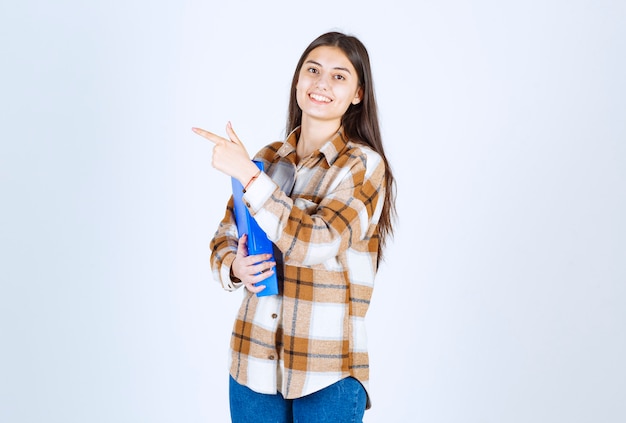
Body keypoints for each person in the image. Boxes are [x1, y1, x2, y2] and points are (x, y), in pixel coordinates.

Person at [192, 31, 396, 423]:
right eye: (313, 70)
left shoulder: (363, 166)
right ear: (298, 81)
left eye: (339, 76)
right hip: (252, 363)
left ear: (358, 94)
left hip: (327, 371)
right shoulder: (267, 158)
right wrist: (234, 264)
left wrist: (249, 178)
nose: (322, 83)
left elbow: (317, 243)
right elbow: (226, 236)